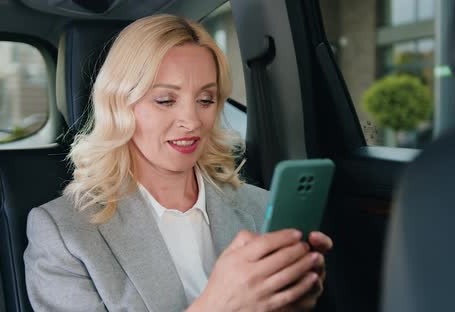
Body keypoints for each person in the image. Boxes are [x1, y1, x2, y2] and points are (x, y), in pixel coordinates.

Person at [24, 14, 333, 312]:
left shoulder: (262, 209)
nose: (191, 121)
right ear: (120, 105)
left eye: (205, 100)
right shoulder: (63, 233)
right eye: (166, 100)